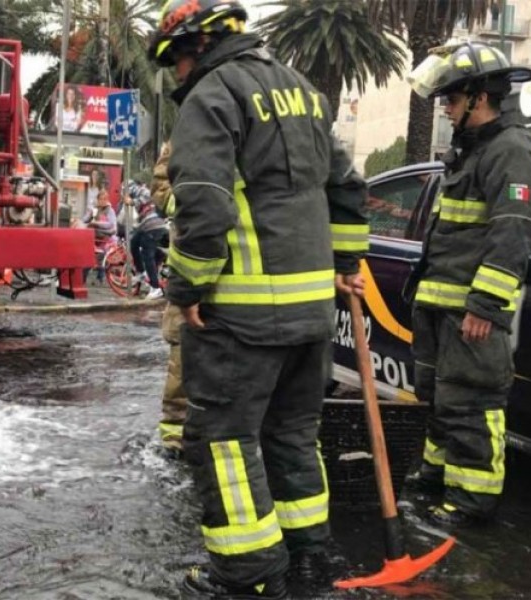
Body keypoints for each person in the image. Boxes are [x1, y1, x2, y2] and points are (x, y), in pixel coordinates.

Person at [148, 2, 369, 598]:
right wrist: (345, 266)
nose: (176, 75)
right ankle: (307, 558)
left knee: (222, 440)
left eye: (176, 60)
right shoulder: (304, 92)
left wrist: (188, 287)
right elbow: (347, 187)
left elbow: (203, 200)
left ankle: (245, 575)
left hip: (241, 316)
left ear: (196, 47)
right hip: (312, 316)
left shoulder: (213, 96)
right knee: (293, 435)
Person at [405, 42, 531, 528]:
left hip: (471, 312)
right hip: (443, 305)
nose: (445, 108)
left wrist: (484, 305)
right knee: (444, 399)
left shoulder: (512, 151)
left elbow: (513, 234)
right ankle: (436, 479)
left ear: (478, 97)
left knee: (471, 403)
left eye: (450, 99)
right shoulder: (472, 150)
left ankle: (469, 503)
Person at [151, 141, 186, 455]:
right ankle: (174, 437)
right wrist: (191, 203)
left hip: (239, 273)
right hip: (188, 266)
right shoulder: (184, 136)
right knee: (183, 357)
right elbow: (161, 190)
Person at [124, 180, 167, 300]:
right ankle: (141, 272)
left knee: (148, 255)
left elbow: (146, 195)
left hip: (153, 226)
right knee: (133, 243)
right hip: (146, 226)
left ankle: (155, 288)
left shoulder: (142, 190)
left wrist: (132, 201)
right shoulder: (136, 193)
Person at [80, 188, 117, 284]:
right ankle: (93, 278)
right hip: (95, 238)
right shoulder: (95, 209)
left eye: (105, 199)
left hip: (106, 239)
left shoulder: (110, 210)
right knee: (88, 256)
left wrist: (96, 223)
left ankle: (98, 277)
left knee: (95, 258)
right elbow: (85, 220)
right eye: (101, 199)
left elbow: (111, 225)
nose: (102, 201)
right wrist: (88, 215)